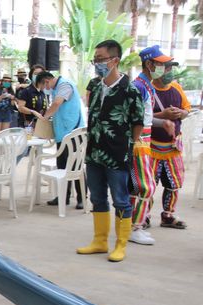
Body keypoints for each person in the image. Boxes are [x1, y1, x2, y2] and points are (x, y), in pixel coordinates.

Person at [77, 39, 144, 263]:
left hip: (117, 155)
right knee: (97, 197)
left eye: (101, 59)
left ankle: (120, 245)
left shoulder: (130, 90)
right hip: (94, 152)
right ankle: (100, 241)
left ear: (115, 60)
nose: (97, 63)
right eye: (95, 60)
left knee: (121, 200)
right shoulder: (95, 86)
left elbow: (137, 122)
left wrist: (127, 146)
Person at [129, 45, 176, 246]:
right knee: (145, 186)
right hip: (139, 142)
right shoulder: (139, 86)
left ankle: (133, 225)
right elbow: (135, 118)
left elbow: (146, 118)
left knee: (137, 187)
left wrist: (162, 122)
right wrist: (136, 141)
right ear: (149, 64)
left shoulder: (146, 85)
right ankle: (135, 227)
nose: (166, 70)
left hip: (143, 140)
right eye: (162, 65)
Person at [150, 62, 191, 229]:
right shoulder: (148, 90)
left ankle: (168, 215)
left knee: (173, 183)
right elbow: (142, 116)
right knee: (148, 185)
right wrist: (163, 115)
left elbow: (187, 110)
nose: (169, 72)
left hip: (173, 147)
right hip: (151, 147)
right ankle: (144, 216)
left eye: (170, 68)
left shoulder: (176, 88)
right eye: (166, 68)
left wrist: (181, 113)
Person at [40, 71, 85, 209]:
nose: (44, 89)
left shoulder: (64, 85)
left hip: (72, 132)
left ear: (47, 81)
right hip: (63, 133)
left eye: (43, 86)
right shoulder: (57, 88)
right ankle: (63, 196)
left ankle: (81, 197)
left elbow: (57, 104)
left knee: (76, 166)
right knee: (62, 166)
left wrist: (45, 117)